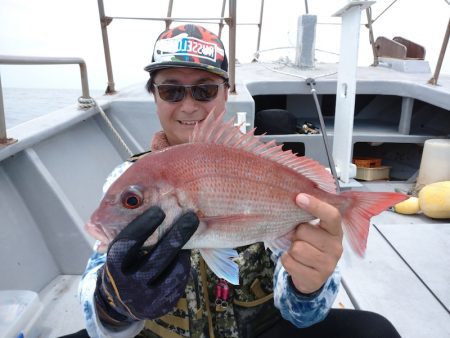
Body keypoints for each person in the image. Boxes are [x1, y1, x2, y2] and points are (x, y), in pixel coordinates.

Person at [65, 24, 401, 338]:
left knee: (376, 331)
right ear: (155, 96)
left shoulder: (259, 166)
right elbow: (97, 317)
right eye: (170, 90)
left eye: (205, 90)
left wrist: (307, 286)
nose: (189, 105)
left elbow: (301, 315)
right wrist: (113, 304)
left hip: (258, 330)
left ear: (226, 94)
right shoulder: (127, 180)